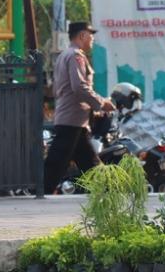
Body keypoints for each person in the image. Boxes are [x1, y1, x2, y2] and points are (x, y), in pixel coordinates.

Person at [43, 22, 115, 194]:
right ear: (82, 35)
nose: (92, 40)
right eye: (91, 36)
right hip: (72, 120)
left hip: (74, 119)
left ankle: (106, 193)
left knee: (89, 162)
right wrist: (101, 103)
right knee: (56, 163)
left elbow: (56, 89)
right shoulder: (76, 56)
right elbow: (79, 87)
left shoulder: (63, 56)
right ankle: (40, 192)